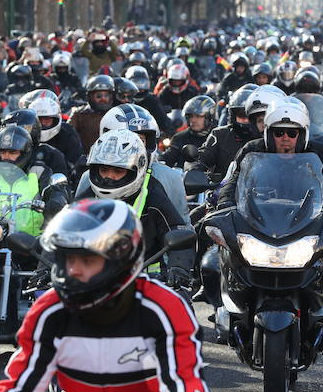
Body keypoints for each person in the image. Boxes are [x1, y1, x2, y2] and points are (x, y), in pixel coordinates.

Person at [0, 198, 213, 392]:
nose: (73, 270)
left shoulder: (164, 308)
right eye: (69, 258)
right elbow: (18, 387)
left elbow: (185, 387)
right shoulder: (49, 310)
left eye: (87, 260)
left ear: (120, 258)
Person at [75, 129, 193, 286]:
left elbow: (178, 233)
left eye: (118, 170)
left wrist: (178, 268)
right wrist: (46, 267)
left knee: (179, 307)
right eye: (103, 170)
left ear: (137, 168)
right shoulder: (87, 197)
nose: (109, 177)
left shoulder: (152, 194)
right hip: (93, 282)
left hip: (147, 283)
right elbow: (61, 233)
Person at [217, 100, 323, 212]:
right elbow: (235, 179)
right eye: (279, 132)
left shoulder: (319, 153)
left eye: (292, 133)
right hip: (257, 215)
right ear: (269, 134)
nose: (285, 138)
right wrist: (226, 200)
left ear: (302, 135)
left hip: (307, 217)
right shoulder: (252, 150)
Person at [0, 124, 69, 235]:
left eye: (12, 152)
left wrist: (56, 200)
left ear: (24, 153)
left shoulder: (38, 172)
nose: (6, 157)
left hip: (32, 241)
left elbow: (55, 192)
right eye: (3, 152)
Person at [194, 86, 256, 178]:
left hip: (263, 190)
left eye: (251, 116)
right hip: (222, 189)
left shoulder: (269, 137)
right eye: (242, 115)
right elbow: (202, 158)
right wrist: (193, 168)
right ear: (233, 115)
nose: (246, 120)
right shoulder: (220, 135)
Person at [22, 89, 84, 168]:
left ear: (55, 119)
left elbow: (76, 161)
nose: (42, 124)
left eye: (47, 119)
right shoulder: (23, 134)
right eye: (38, 120)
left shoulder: (67, 133)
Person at [160, 95, 217, 168]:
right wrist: (160, 161)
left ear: (209, 117)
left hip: (212, 178)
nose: (193, 120)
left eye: (198, 116)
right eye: (191, 116)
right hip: (183, 178)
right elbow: (168, 158)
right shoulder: (180, 137)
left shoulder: (218, 137)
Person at [69, 75, 115, 153]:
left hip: (112, 158)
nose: (103, 99)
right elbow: (68, 134)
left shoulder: (115, 113)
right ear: (90, 96)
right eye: (99, 96)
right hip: (86, 159)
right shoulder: (79, 114)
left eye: (106, 95)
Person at [124, 65, 172, 137]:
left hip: (148, 137)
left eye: (142, 84)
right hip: (125, 136)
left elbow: (162, 118)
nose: (139, 90)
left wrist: (169, 130)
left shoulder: (151, 100)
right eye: (136, 86)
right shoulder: (123, 99)